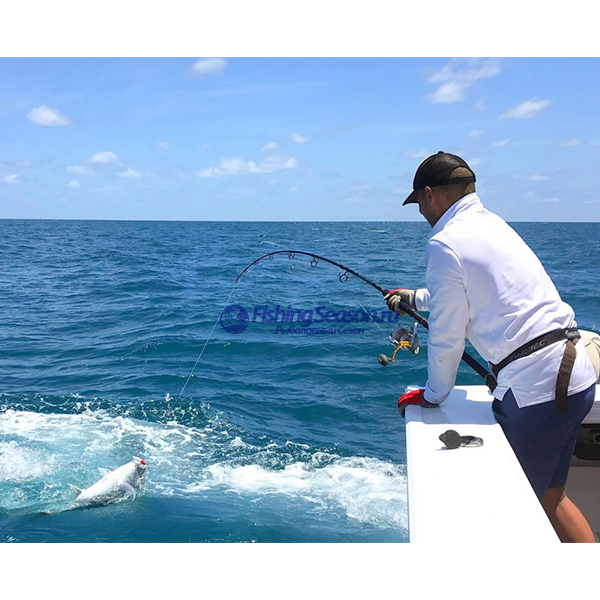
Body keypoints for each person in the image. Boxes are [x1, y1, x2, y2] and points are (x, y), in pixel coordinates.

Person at [386, 151, 597, 543]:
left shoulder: (444, 242)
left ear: (430, 194)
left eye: (419, 204)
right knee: (552, 498)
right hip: (576, 375)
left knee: (508, 521)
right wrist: (415, 298)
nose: (422, 214)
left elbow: (447, 334)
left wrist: (432, 395)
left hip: (538, 392)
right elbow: (474, 292)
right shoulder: (493, 225)